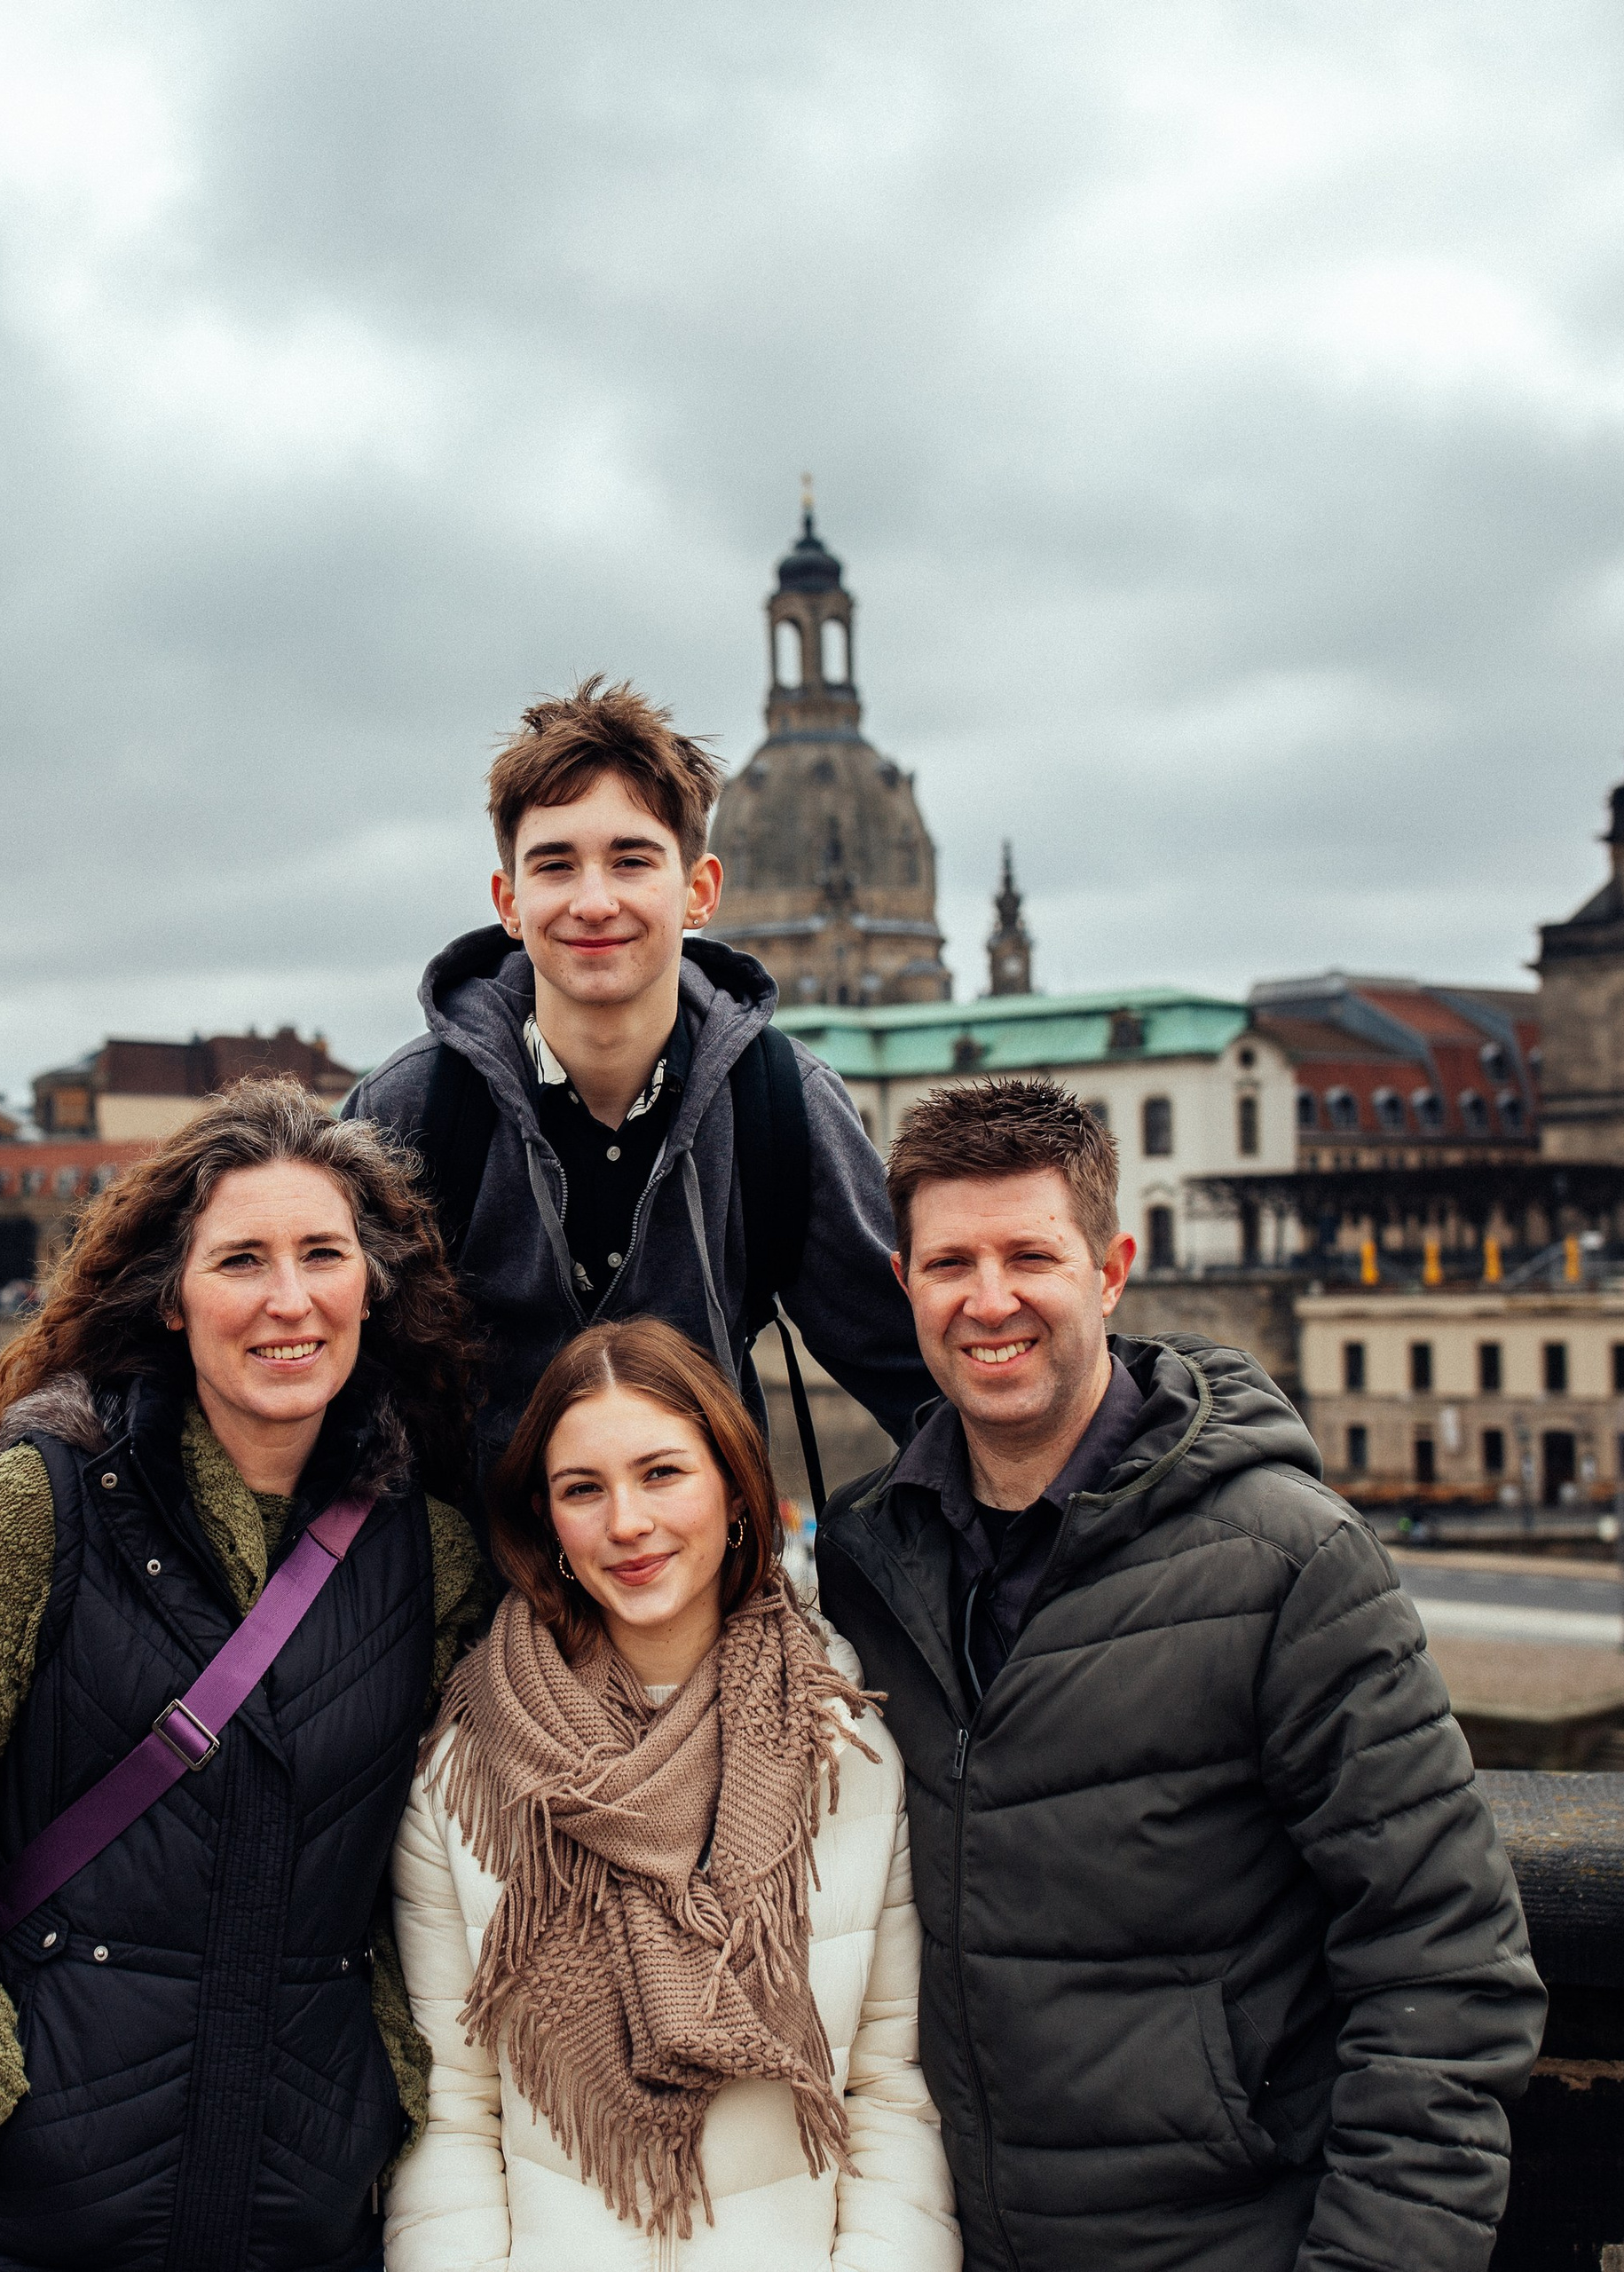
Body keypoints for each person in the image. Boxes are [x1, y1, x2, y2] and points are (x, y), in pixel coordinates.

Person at [813, 1077, 1545, 2272]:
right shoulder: (865, 1565)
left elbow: (1448, 1973)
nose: (988, 1301)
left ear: (1111, 1270)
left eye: (1029, 1257)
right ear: (903, 1285)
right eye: (950, 1265)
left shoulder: (1291, 1563)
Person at [0, 1079, 490, 2272]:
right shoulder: (45, 1506)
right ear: (172, 1299)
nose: (289, 1300)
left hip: (288, 2216)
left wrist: (381, 2094)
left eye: (323, 1254)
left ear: (370, 1288)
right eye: (241, 1261)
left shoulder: (425, 1554)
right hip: (7, 2225)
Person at [388, 1315, 959, 2271]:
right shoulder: (468, 1768)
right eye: (583, 1489)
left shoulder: (844, 1745)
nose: (626, 1523)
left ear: (736, 1490)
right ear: (546, 1521)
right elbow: (452, 2110)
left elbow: (890, 2094)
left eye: (662, 1473)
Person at [343, 677, 932, 1491]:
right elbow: (325, 1396)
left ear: (698, 891)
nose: (594, 901)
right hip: (466, 1610)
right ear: (509, 902)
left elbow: (925, 1375)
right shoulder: (412, 1111)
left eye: (631, 860)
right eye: (556, 865)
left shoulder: (782, 1103)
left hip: (704, 1594)